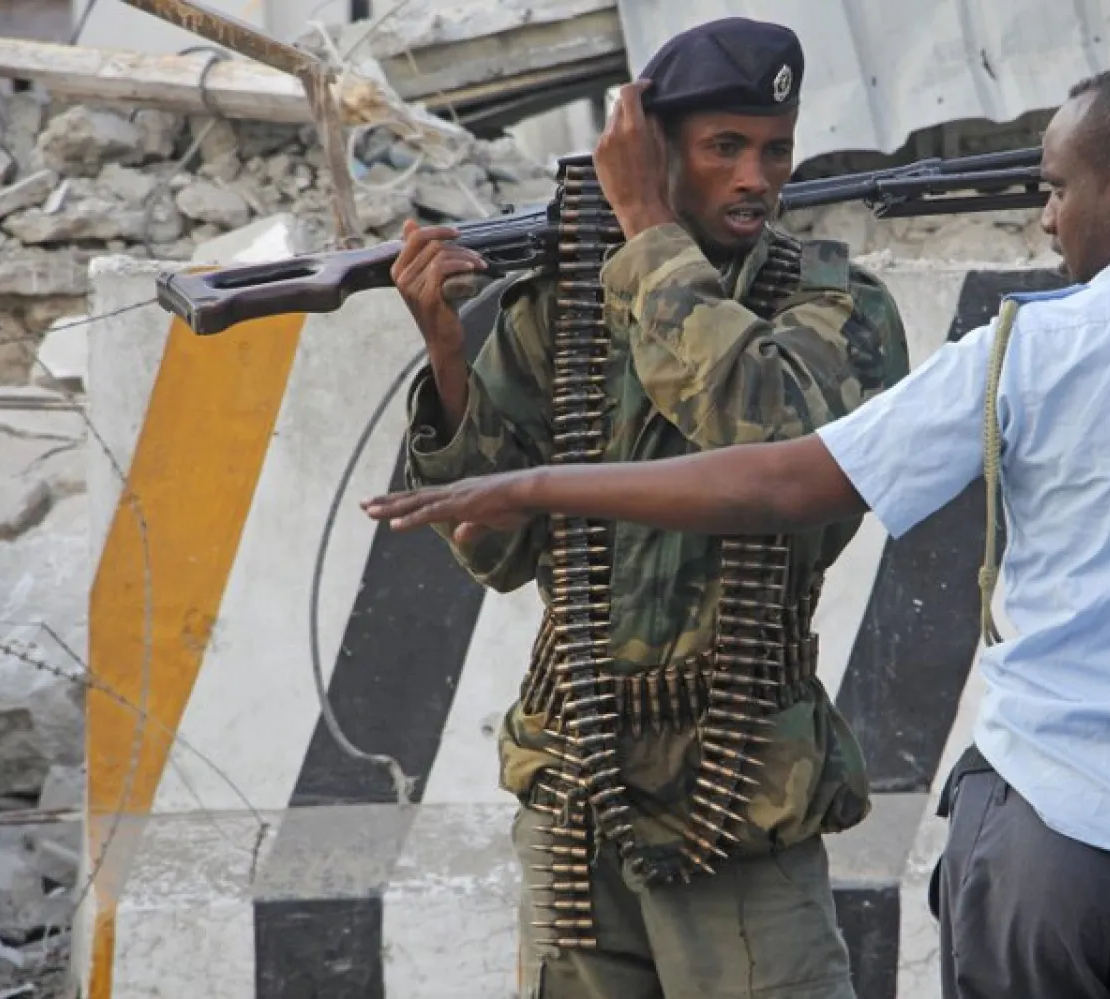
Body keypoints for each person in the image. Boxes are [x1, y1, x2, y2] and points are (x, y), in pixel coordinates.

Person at [367, 61, 1110, 998]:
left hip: (1034, 839)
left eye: (1054, 189)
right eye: (725, 147)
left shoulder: (1023, 347)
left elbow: (781, 474)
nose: (1045, 219)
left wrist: (542, 483)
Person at [384, 15, 910, 999]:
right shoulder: (565, 309)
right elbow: (494, 554)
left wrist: (645, 230)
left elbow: (765, 434)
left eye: (775, 151)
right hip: (576, 779)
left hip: (742, 793)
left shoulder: (839, 311)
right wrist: (449, 354)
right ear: (655, 150)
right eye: (724, 148)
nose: (756, 178)